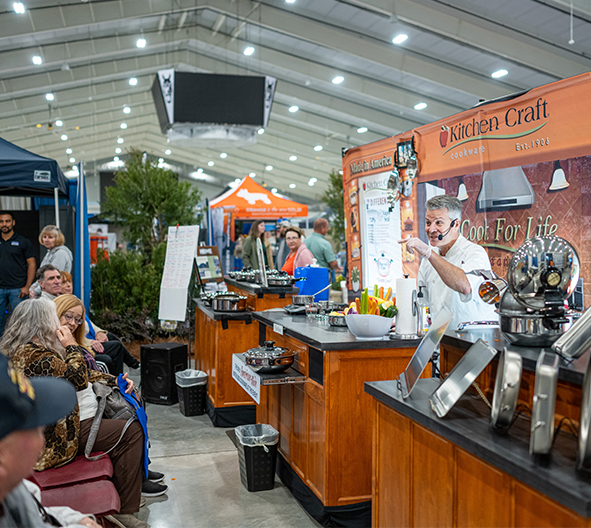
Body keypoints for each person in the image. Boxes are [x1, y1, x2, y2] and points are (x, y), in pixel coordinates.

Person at [0, 298, 165, 528]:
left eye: (76, 319)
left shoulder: (36, 349)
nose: (64, 324)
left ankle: (132, 487)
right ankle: (125, 509)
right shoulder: (33, 354)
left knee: (124, 414)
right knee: (130, 430)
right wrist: (71, 346)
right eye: (59, 317)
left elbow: (83, 373)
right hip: (61, 436)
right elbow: (77, 377)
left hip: (72, 422)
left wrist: (115, 381)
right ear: (42, 323)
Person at [0, 351, 102, 528]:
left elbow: (35, 512)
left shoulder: (10, 487)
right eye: (36, 428)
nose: (43, 440)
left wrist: (74, 520)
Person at [398, 195, 498, 329]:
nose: (431, 229)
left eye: (438, 223)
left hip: (475, 336)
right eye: (428, 223)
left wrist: (428, 253)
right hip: (441, 336)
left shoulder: (475, 253)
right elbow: (423, 303)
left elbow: (465, 286)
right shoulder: (428, 260)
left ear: (455, 224)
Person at [55, 294, 139, 376]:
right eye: (68, 316)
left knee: (113, 340)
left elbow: (91, 325)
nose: (73, 323)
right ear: (57, 312)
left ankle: (129, 371)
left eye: (77, 320)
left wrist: (99, 332)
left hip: (85, 345)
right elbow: (79, 375)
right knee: (110, 355)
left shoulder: (77, 309)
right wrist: (72, 346)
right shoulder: (50, 344)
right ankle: (134, 366)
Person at [0, 211, 36, 334]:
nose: (4, 224)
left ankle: (20, 344)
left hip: (18, 289)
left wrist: (27, 286)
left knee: (20, 321)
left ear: (13, 223)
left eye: (7, 221)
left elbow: (32, 264)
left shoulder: (23, 241)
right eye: (1, 221)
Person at [30, 226, 73, 298]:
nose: (46, 240)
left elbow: (52, 277)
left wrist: (35, 291)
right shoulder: (49, 253)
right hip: (47, 293)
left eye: (50, 237)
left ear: (58, 239)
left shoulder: (60, 254)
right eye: (44, 237)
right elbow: (41, 276)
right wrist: (32, 288)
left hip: (56, 295)